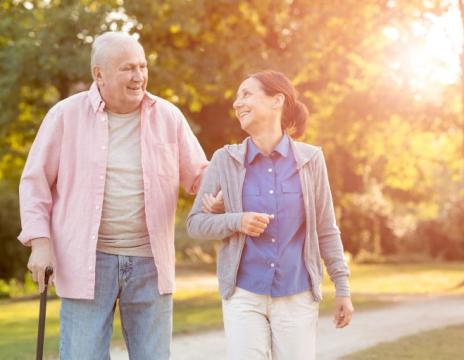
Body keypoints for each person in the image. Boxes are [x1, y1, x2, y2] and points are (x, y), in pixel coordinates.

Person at [18, 31, 208, 359]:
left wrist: (219, 193)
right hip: (87, 260)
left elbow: (200, 177)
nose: (139, 76)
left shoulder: (168, 116)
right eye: (127, 68)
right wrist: (40, 242)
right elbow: (35, 183)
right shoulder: (65, 116)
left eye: (142, 66)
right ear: (99, 74)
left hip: (151, 262)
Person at [187, 70, 354, 359]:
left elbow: (326, 228)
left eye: (246, 94)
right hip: (244, 294)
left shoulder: (310, 160)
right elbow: (196, 224)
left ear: (277, 100)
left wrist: (342, 287)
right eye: (238, 97)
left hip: (296, 293)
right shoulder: (224, 160)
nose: (237, 103)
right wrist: (236, 221)